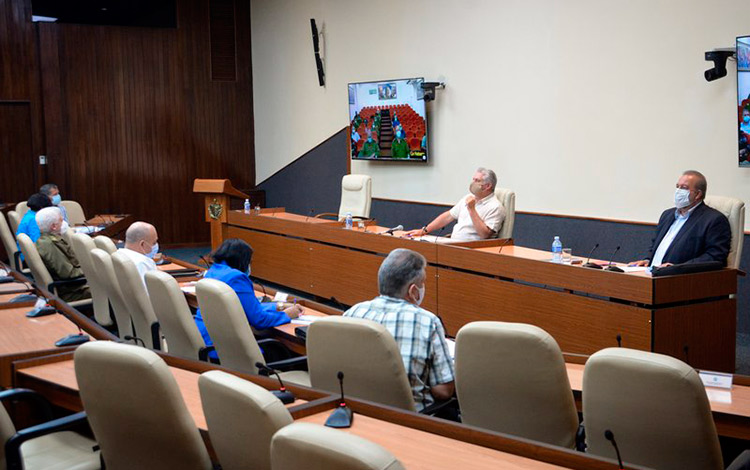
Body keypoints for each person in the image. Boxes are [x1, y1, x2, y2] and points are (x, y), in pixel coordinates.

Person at [344, 248, 454, 412]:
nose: (423, 287)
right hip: (409, 422)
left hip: (358, 414)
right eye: (422, 283)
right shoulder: (427, 322)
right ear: (413, 291)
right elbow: (443, 392)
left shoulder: (352, 313)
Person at [194, 238, 303, 357]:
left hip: (206, 340)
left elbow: (243, 306)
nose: (250, 266)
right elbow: (259, 320)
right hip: (227, 350)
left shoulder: (213, 271)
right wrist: (287, 314)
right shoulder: (237, 278)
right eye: (250, 262)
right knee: (283, 352)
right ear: (242, 260)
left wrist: (278, 306)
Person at [630, 170, 731, 268]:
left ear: (698, 194)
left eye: (684, 188)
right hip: (652, 274)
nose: (678, 191)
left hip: (682, 279)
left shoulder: (714, 220)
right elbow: (656, 246)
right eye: (677, 187)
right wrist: (647, 260)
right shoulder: (667, 215)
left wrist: (678, 267)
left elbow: (715, 256)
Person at [405, 168, 505, 241]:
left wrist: (472, 209)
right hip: (454, 243)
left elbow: (485, 235)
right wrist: (424, 230)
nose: (472, 183)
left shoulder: (495, 207)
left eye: (477, 181)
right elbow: (448, 217)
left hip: (474, 249)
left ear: (487, 186)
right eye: (473, 179)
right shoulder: (468, 197)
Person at [35, 207, 90, 302]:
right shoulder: (50, 245)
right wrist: (91, 271)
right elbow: (69, 274)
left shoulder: (45, 240)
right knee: (111, 292)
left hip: (72, 287)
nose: (64, 222)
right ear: (54, 227)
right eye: (61, 220)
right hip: (72, 292)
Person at [117, 222, 159, 286]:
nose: (156, 245)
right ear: (142, 244)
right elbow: (152, 293)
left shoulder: (117, 255)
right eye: (154, 243)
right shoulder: (142, 263)